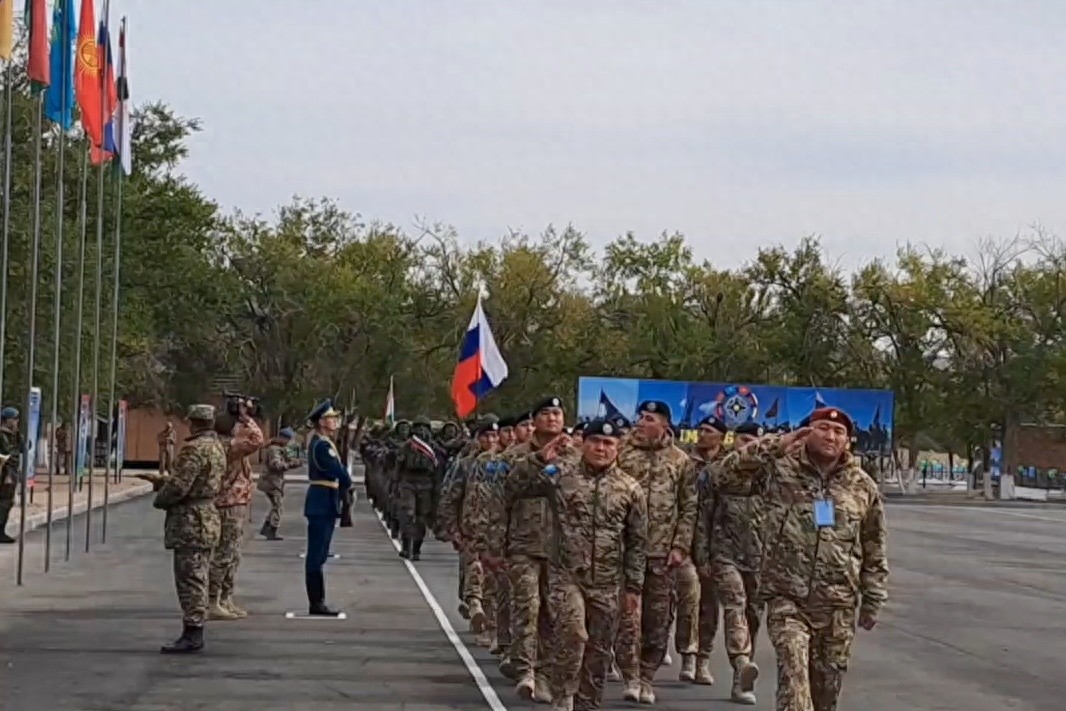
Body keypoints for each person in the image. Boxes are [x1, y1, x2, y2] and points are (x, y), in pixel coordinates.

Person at [719, 407, 889, 711]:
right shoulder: (778, 470)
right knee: (795, 683)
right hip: (788, 598)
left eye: (839, 432)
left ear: (848, 441)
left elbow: (874, 545)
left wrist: (873, 598)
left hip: (838, 604)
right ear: (806, 432)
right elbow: (724, 475)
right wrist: (774, 445)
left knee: (826, 695)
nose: (830, 436)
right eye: (822, 428)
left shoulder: (862, 486)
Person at [488, 419, 648, 711]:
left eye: (608, 443)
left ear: (618, 448)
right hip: (566, 575)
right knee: (573, 635)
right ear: (582, 444)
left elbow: (637, 542)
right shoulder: (559, 475)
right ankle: (562, 696)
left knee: (598, 651)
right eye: (595, 441)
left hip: (608, 582)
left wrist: (634, 587)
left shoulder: (630, 488)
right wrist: (538, 459)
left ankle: (587, 704)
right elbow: (512, 487)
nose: (601, 448)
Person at [614, 400, 697, 705]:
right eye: (640, 418)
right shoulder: (622, 452)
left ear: (664, 424)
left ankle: (647, 675)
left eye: (649, 419)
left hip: (662, 553)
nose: (641, 423)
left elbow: (689, 507)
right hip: (625, 550)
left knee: (658, 619)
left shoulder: (681, 461)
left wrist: (680, 546)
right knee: (627, 619)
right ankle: (630, 675)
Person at [153, 404, 226, 654]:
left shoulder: (193, 449)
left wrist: (160, 497)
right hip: (208, 516)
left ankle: (193, 632)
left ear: (193, 422)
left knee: (190, 578)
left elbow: (180, 487)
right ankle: (195, 627)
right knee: (201, 575)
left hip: (191, 520)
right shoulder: (217, 447)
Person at [705, 421, 766, 704]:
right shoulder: (721, 469)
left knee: (753, 615)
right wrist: (701, 554)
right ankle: (741, 660)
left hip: (760, 557)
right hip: (724, 552)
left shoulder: (771, 475)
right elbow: (702, 514)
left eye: (755, 441)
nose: (749, 446)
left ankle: (741, 680)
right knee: (735, 604)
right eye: (744, 440)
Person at [209, 399, 265, 621]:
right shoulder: (227, 446)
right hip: (228, 503)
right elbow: (257, 440)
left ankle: (224, 598)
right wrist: (246, 418)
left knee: (232, 555)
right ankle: (213, 600)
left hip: (234, 502)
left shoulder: (228, 444)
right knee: (225, 553)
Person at [304, 399, 352, 616]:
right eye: (331, 418)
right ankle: (316, 602)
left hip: (326, 499)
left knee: (320, 554)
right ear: (322, 422)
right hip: (321, 501)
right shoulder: (322, 445)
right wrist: (346, 479)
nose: (335, 422)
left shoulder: (322, 442)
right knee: (316, 555)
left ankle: (318, 600)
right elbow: (337, 471)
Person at [258, 427, 300, 541]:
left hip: (272, 481)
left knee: (276, 505)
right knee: (278, 506)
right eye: (288, 439)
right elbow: (275, 464)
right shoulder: (275, 449)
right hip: (272, 482)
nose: (288, 442)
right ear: (282, 438)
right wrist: (290, 464)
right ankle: (272, 529)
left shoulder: (278, 448)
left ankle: (267, 528)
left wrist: (293, 462)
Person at [0, 407, 21, 544]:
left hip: (11, 471)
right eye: (14, 419)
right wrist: (7, 475)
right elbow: (7, 455)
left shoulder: (11, 435)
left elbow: (24, 448)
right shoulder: (2, 435)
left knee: (8, 502)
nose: (16, 422)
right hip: (5, 472)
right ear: (8, 420)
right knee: (4, 502)